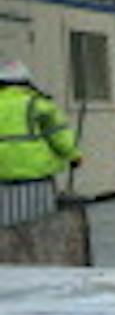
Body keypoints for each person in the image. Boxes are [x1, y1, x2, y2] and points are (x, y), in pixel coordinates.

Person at [0, 58, 82, 229]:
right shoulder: (39, 104)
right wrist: (74, 155)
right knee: (38, 224)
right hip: (36, 177)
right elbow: (58, 136)